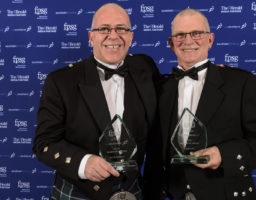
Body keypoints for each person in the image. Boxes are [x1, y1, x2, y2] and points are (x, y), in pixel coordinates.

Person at [152, 8, 256, 200]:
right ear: (171, 43)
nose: (188, 41)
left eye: (196, 33)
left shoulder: (241, 83)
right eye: (180, 35)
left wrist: (223, 154)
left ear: (210, 39)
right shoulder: (159, 88)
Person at [32, 3, 160, 200]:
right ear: (91, 37)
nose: (113, 35)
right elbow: (44, 143)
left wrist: (218, 74)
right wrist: (83, 162)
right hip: (79, 192)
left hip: (133, 189)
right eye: (104, 29)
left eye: (121, 29)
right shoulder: (61, 81)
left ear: (131, 37)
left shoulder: (145, 67)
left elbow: (175, 89)